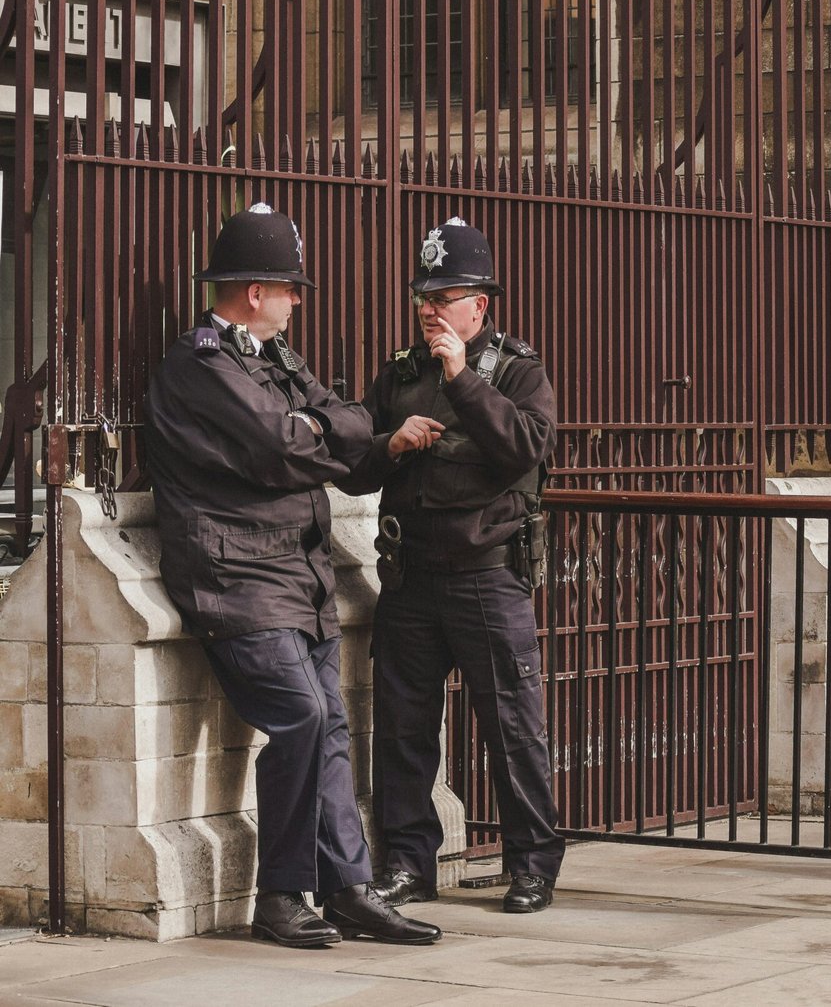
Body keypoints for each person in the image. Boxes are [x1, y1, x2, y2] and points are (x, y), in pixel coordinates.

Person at [144, 204, 442, 949]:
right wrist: (315, 433)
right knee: (304, 717)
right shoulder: (201, 363)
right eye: (290, 287)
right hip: (235, 579)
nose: (298, 299)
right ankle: (280, 892)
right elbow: (281, 447)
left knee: (330, 726)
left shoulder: (274, 357)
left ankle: (345, 888)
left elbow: (341, 423)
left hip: (296, 576)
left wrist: (320, 431)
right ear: (255, 290)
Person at [338, 217, 565, 914]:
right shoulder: (399, 376)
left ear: (481, 306)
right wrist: (392, 447)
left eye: (447, 296)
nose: (431, 310)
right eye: (424, 297)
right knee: (403, 732)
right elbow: (352, 468)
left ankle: (531, 864)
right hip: (410, 576)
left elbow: (524, 447)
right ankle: (408, 863)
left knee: (512, 726)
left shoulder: (518, 373)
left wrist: (462, 377)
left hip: (486, 574)